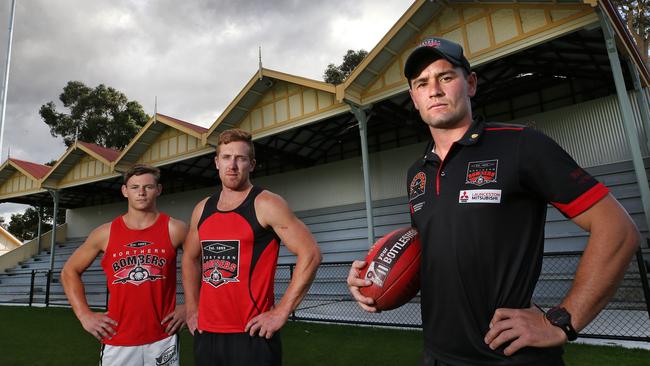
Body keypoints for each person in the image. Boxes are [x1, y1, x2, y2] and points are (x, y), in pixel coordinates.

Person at [347, 37, 640, 366]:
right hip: (437, 357)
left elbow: (617, 229)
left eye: (446, 77)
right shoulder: (418, 174)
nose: (435, 90)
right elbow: (428, 259)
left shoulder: (520, 145)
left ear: (470, 83)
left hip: (511, 357)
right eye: (422, 83)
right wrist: (372, 276)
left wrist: (562, 320)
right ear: (414, 98)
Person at [182, 128, 321, 366]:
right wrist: (192, 308)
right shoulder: (202, 209)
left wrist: (282, 311)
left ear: (252, 164)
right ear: (216, 162)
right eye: (226, 157)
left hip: (252, 334)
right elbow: (190, 258)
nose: (232, 165)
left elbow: (310, 253)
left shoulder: (267, 203)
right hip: (207, 334)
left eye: (241, 158)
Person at [61, 164, 187, 366]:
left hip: (163, 337)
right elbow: (69, 271)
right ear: (125, 191)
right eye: (135, 187)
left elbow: (207, 266)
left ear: (159, 190)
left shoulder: (175, 228)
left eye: (148, 186)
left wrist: (191, 306)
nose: (142, 192)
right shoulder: (105, 233)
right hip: (118, 338)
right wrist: (84, 315)